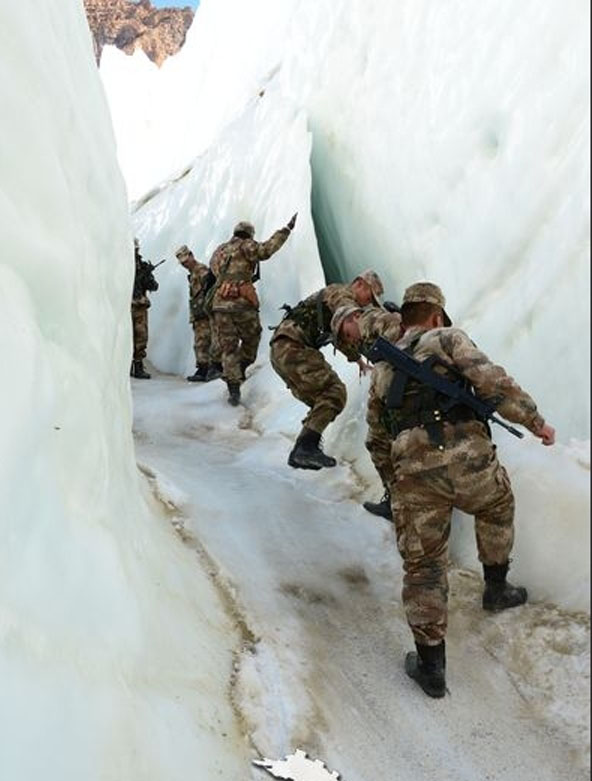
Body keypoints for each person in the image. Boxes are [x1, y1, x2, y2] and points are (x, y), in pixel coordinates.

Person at [336, 283, 555, 698]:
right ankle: (496, 587)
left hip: (413, 474)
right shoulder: (446, 338)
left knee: (424, 567)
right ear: (436, 315)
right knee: (496, 505)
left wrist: (395, 488)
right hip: (469, 458)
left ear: (406, 317)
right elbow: (494, 383)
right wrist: (536, 422)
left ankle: (431, 667)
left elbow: (377, 439)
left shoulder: (384, 366)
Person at [269, 271, 384, 470]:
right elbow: (347, 318)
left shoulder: (335, 298)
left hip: (282, 351)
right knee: (334, 393)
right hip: (294, 347)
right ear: (360, 284)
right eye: (369, 297)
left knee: (322, 401)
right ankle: (304, 448)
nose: (367, 304)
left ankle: (305, 447)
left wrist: (358, 361)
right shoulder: (341, 294)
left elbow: (340, 334)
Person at [209, 215, 297, 406]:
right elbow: (266, 250)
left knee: (228, 346)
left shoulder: (219, 250)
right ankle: (240, 368)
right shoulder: (247, 245)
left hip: (220, 305)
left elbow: (214, 271)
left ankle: (233, 388)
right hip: (242, 303)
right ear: (249, 235)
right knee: (252, 337)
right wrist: (286, 230)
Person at [175, 245, 222, 383]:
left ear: (191, 255)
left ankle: (207, 369)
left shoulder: (201, 271)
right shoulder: (194, 272)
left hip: (204, 313)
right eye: (182, 263)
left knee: (205, 341)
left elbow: (210, 291)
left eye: (186, 260)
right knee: (200, 342)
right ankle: (203, 368)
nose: (185, 264)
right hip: (199, 313)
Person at [131, 238, 159, 379]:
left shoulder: (142, 266)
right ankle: (129, 365)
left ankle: (138, 365)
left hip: (140, 306)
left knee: (141, 337)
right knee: (128, 336)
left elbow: (154, 286)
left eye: (136, 249)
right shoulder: (122, 265)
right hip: (127, 307)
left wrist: (147, 276)